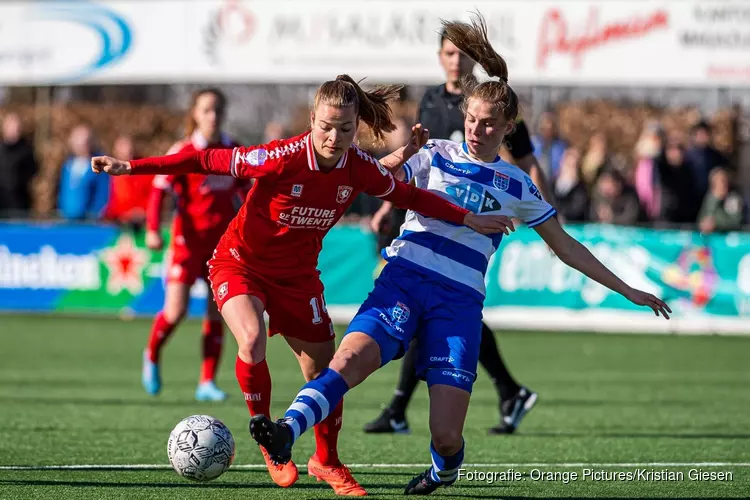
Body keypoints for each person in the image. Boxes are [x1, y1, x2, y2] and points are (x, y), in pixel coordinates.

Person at [247, 15, 671, 496]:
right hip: (403, 279)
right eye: (470, 119)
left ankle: (442, 471)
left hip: (458, 304)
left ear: (509, 127)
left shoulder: (518, 185)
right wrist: (385, 163)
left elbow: (566, 246)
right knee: (347, 362)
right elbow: (380, 175)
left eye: (489, 123)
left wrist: (629, 290)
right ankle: (286, 431)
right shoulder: (436, 154)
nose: (476, 129)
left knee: (446, 436)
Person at [91, 74, 511, 496]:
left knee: (326, 373)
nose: (334, 136)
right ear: (312, 119)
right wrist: (132, 168)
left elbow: (411, 197)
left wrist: (466, 217)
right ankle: (271, 446)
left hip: (297, 278)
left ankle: (326, 461)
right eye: (326, 126)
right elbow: (203, 160)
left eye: (346, 129)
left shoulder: (358, 167)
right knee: (251, 340)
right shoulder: (278, 157)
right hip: (241, 264)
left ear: (355, 128)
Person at [365, 23, 558, 436]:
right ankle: (504, 390)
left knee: (439, 308)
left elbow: (526, 163)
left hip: (473, 223)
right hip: (425, 215)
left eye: (462, 55)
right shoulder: (433, 99)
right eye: (449, 54)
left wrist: (543, 213)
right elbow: (416, 160)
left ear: (472, 60)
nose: (455, 61)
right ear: (440, 58)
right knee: (431, 309)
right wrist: (386, 206)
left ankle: (402, 407)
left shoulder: (496, 104)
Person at [139, 88, 242, 403]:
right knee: (176, 311)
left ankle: (207, 382)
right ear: (195, 114)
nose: (213, 116)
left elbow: (250, 192)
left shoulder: (233, 150)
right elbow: (160, 190)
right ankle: (152, 353)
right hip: (187, 244)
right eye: (206, 110)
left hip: (220, 248)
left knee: (217, 313)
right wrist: (154, 230)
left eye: (217, 110)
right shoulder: (184, 150)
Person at [58, 124, 109, 220]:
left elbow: (103, 193)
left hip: (89, 221)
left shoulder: (99, 165)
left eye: (85, 141)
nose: (81, 145)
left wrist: (95, 214)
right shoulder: (67, 165)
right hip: (67, 219)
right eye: (78, 141)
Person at [0, 112, 37, 218]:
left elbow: (33, 172)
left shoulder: (27, 151)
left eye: (16, 127)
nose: (13, 130)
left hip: (20, 202)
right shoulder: (1, 150)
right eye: (10, 126)